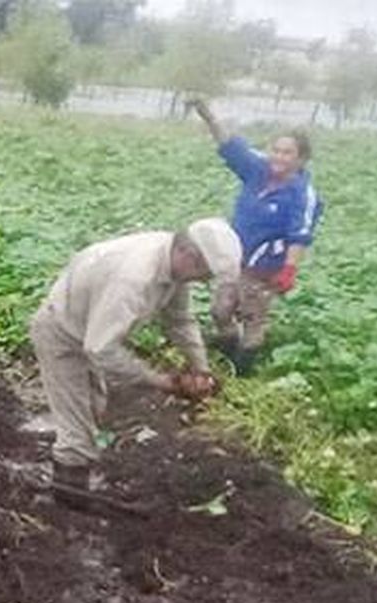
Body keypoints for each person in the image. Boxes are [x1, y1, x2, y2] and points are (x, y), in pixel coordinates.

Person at [29, 219, 242, 510]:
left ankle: (74, 470)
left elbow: (179, 321)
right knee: (77, 433)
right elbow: (100, 348)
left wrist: (200, 368)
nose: (201, 281)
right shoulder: (133, 278)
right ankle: (68, 509)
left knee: (93, 407)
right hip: (62, 333)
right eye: (203, 274)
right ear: (188, 254)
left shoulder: (173, 262)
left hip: (89, 327)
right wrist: (162, 381)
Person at [186, 97, 325, 376]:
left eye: (288, 153)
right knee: (220, 310)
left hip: (265, 268)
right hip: (235, 257)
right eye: (276, 150)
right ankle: (227, 346)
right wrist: (209, 116)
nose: (279, 157)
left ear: (301, 159)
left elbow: (299, 234)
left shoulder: (302, 193)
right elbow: (230, 146)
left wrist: (288, 270)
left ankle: (244, 368)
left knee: (253, 316)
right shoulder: (258, 170)